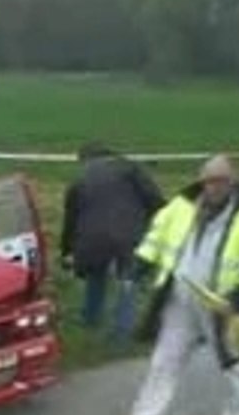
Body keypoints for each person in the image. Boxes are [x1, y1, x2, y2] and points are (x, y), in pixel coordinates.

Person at [110, 154, 239, 415]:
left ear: (231, 182)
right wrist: (140, 265)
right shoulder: (179, 208)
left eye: (218, 181)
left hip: (221, 307)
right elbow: (156, 240)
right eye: (207, 181)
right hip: (181, 301)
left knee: (233, 367)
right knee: (163, 364)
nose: (211, 187)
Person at [60, 141, 164, 341]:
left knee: (95, 274)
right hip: (129, 234)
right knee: (128, 280)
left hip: (92, 238)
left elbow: (70, 221)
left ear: (85, 160)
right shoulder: (130, 169)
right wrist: (155, 223)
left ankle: (90, 318)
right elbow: (154, 199)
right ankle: (122, 333)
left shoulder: (79, 181)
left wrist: (66, 250)